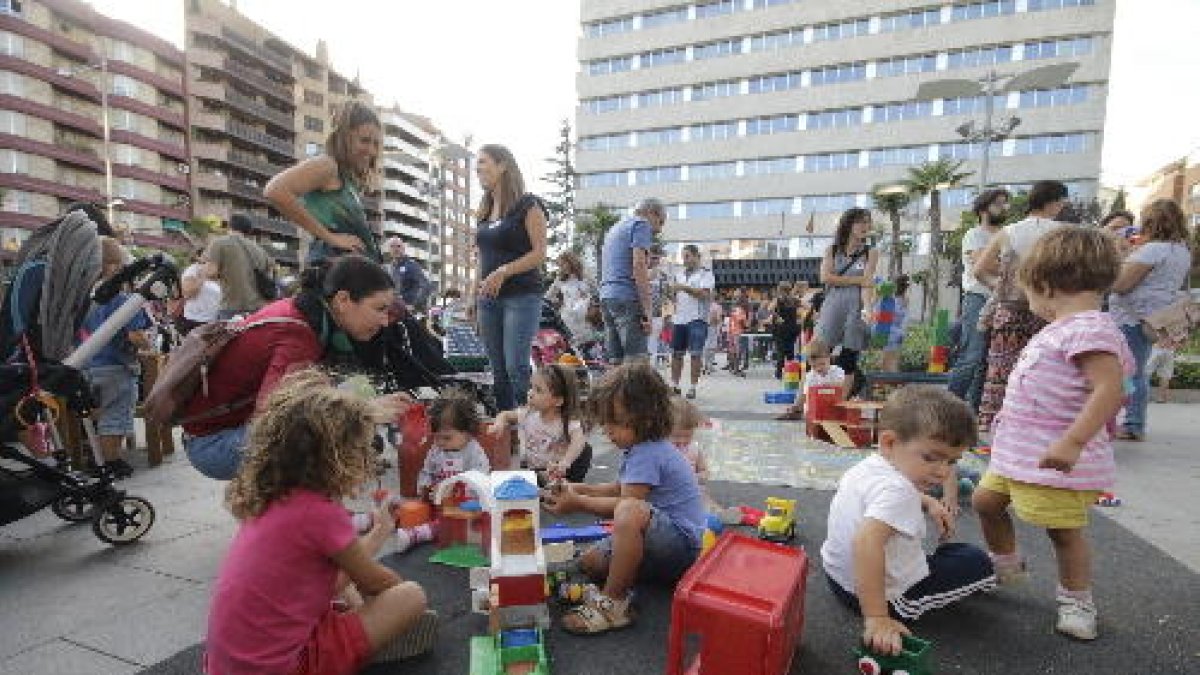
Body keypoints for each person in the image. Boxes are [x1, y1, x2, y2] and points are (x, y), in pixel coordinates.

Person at [205, 370, 437, 675]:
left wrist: (380, 531)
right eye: (361, 449)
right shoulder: (320, 513)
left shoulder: (273, 496)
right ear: (338, 458)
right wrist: (399, 606)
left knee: (344, 590)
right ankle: (374, 643)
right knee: (411, 596)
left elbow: (333, 579)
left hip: (230, 664)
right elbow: (375, 580)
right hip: (286, 666)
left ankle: (361, 632)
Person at [973, 226, 1133, 641]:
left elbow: (1110, 389)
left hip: (1053, 457)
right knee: (986, 501)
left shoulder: (1090, 329)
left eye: (1029, 292)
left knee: (1063, 531)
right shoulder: (1062, 328)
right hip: (1018, 453)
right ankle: (1007, 568)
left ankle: (1077, 602)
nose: (1030, 302)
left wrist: (1074, 441)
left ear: (1045, 285)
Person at [181, 255, 399, 480]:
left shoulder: (309, 314)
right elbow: (278, 422)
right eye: (380, 308)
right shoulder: (299, 334)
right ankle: (300, 513)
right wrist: (363, 411)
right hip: (213, 444)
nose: (385, 321)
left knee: (353, 398)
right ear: (343, 300)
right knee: (318, 435)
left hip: (223, 430)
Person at [822, 386, 995, 656]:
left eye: (952, 461)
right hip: (889, 599)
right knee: (978, 562)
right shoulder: (899, 491)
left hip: (836, 577)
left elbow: (880, 502)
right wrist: (877, 618)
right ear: (890, 442)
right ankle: (992, 571)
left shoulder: (869, 465)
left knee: (950, 552)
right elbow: (865, 542)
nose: (942, 472)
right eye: (931, 457)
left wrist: (928, 502)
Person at [542, 363, 705, 635]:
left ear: (646, 419)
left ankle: (614, 602)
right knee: (591, 562)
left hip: (680, 548)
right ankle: (626, 580)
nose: (607, 430)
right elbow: (619, 488)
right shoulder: (642, 448)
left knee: (628, 511)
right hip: (659, 541)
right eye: (606, 421)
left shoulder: (648, 453)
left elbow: (624, 505)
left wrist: (578, 503)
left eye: (614, 422)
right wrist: (577, 488)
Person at [973, 180, 1070, 430]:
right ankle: (1035, 423)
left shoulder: (1009, 231)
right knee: (1043, 369)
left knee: (1001, 368)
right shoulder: (1064, 233)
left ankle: (992, 422)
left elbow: (979, 270)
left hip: (1009, 310)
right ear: (1053, 202)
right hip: (1050, 311)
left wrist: (1002, 286)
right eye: (1061, 202)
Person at [1107, 199, 1193, 440]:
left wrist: (1120, 257)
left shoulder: (1153, 250)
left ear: (1152, 222)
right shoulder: (1181, 250)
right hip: (1154, 318)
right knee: (1136, 371)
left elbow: (1121, 285)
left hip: (1131, 318)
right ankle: (1132, 421)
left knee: (1129, 373)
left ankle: (1133, 424)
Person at [471, 144, 548, 412]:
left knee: (516, 367)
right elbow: (481, 259)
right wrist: (473, 298)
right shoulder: (484, 211)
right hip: (488, 300)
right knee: (497, 370)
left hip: (522, 296)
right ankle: (508, 431)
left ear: (503, 165)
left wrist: (505, 271)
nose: (477, 167)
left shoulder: (528, 205)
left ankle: (531, 423)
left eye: (482, 161)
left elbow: (539, 253)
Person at [265, 101, 383, 265]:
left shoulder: (346, 178)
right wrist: (330, 237)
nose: (371, 150)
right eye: (364, 140)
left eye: (376, 144)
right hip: (333, 275)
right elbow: (274, 191)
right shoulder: (327, 165)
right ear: (343, 137)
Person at [78, 237, 152, 479]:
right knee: (116, 416)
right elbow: (134, 335)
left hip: (86, 366)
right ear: (113, 267)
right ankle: (111, 462)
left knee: (99, 415)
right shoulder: (122, 300)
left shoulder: (82, 299)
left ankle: (98, 458)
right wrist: (147, 343)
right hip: (116, 368)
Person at [947, 188, 1010, 410]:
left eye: (1005, 203)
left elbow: (995, 262)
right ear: (983, 208)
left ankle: (975, 411)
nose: (1004, 208)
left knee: (988, 358)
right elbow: (981, 263)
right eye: (999, 203)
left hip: (1004, 300)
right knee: (972, 355)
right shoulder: (974, 234)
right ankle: (948, 407)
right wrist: (1006, 264)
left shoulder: (1007, 234)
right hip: (977, 298)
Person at [816, 208, 879, 398]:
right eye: (861, 222)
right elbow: (825, 277)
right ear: (849, 224)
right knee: (818, 352)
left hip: (856, 306)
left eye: (868, 222)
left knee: (849, 358)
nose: (865, 226)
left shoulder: (871, 252)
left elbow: (867, 286)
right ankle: (801, 403)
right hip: (834, 304)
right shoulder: (833, 249)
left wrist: (868, 309)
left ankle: (840, 403)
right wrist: (859, 280)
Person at [491, 364, 590, 485]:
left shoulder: (567, 421)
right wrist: (499, 423)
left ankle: (570, 486)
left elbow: (579, 440)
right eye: (531, 387)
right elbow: (505, 414)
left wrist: (566, 462)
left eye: (538, 390)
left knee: (585, 450)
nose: (530, 393)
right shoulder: (528, 413)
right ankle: (547, 486)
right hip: (535, 470)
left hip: (557, 469)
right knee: (528, 479)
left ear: (558, 400)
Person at [598, 199, 668, 364]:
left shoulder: (615, 228)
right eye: (660, 222)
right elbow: (638, 265)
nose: (658, 229)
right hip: (627, 297)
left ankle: (615, 391)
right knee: (636, 364)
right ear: (651, 213)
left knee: (616, 362)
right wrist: (648, 311)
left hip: (607, 297)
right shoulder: (641, 224)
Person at [415, 393, 492, 501]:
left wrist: (457, 489)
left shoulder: (473, 452)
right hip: (440, 505)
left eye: (447, 438)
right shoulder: (436, 450)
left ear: (468, 433)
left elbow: (482, 480)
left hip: (467, 507)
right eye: (436, 437)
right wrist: (425, 487)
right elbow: (427, 472)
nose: (440, 442)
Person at [668, 245, 716, 399]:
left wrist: (683, 287)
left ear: (696, 256)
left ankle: (693, 387)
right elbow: (673, 296)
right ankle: (675, 385)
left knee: (695, 354)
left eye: (687, 256)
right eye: (683, 256)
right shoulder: (679, 274)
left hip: (697, 319)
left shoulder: (706, 274)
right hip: (679, 318)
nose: (684, 260)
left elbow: (703, 294)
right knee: (676, 354)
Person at [205, 214, 272, 320]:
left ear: (230, 227)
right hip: (259, 309)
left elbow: (210, 273)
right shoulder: (261, 250)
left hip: (232, 308)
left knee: (228, 336)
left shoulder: (219, 243)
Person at [776, 339, 845, 421]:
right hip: (815, 410)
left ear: (829, 358)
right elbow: (805, 394)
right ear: (810, 364)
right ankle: (797, 411)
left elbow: (842, 387)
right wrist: (797, 407)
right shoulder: (810, 376)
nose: (819, 368)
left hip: (832, 407)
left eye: (822, 364)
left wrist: (827, 388)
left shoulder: (837, 371)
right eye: (814, 366)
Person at [546, 251, 593, 342]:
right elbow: (548, 297)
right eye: (560, 265)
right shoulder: (559, 279)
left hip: (587, 319)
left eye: (563, 264)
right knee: (576, 348)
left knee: (592, 345)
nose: (561, 268)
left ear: (571, 262)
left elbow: (597, 292)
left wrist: (589, 298)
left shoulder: (586, 274)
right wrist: (560, 303)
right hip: (569, 320)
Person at [178, 249, 220, 335]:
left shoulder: (213, 271)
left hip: (212, 320)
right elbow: (187, 293)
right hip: (195, 321)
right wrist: (202, 277)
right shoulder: (192, 270)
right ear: (198, 257)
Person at [385, 238, 432, 311]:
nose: (395, 249)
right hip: (394, 310)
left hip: (409, 311)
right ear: (389, 250)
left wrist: (414, 305)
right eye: (392, 246)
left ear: (403, 249)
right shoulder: (389, 268)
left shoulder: (411, 265)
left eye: (398, 246)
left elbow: (426, 286)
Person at [769, 281, 802, 380]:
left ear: (780, 289)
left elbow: (769, 308)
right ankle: (793, 373)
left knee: (781, 351)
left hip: (781, 328)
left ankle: (779, 373)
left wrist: (777, 316)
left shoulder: (778, 300)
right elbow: (808, 306)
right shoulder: (794, 300)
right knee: (790, 350)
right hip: (792, 328)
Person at [879, 275, 911, 373]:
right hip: (896, 332)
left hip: (888, 331)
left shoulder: (889, 298)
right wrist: (902, 333)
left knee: (886, 360)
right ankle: (891, 381)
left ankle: (887, 381)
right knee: (893, 359)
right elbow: (905, 318)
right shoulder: (905, 300)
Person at [1148, 337, 1180, 404]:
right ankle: (1161, 398)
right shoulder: (1177, 326)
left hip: (1156, 348)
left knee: (1145, 372)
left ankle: (1143, 395)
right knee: (1165, 376)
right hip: (1169, 350)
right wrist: (1174, 347)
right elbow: (1182, 339)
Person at [727, 289, 750, 376]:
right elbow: (742, 322)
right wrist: (746, 327)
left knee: (733, 351)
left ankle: (732, 368)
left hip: (731, 332)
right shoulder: (740, 310)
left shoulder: (733, 310)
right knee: (738, 351)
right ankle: (736, 369)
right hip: (738, 332)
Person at [702, 298, 723, 374]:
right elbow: (717, 318)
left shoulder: (704, 306)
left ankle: (706, 365)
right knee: (712, 347)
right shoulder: (717, 307)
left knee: (706, 346)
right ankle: (709, 365)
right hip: (713, 327)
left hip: (705, 327)